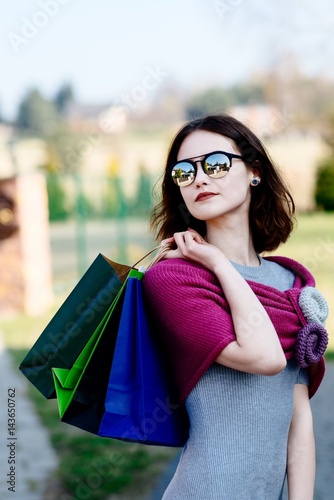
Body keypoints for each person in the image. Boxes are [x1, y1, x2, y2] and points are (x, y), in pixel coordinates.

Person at [142, 114, 328, 500]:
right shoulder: (174, 279)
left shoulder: (289, 284)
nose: (199, 178)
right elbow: (264, 357)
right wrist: (218, 263)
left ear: (254, 172)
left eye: (216, 164)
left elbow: (299, 422)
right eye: (183, 171)